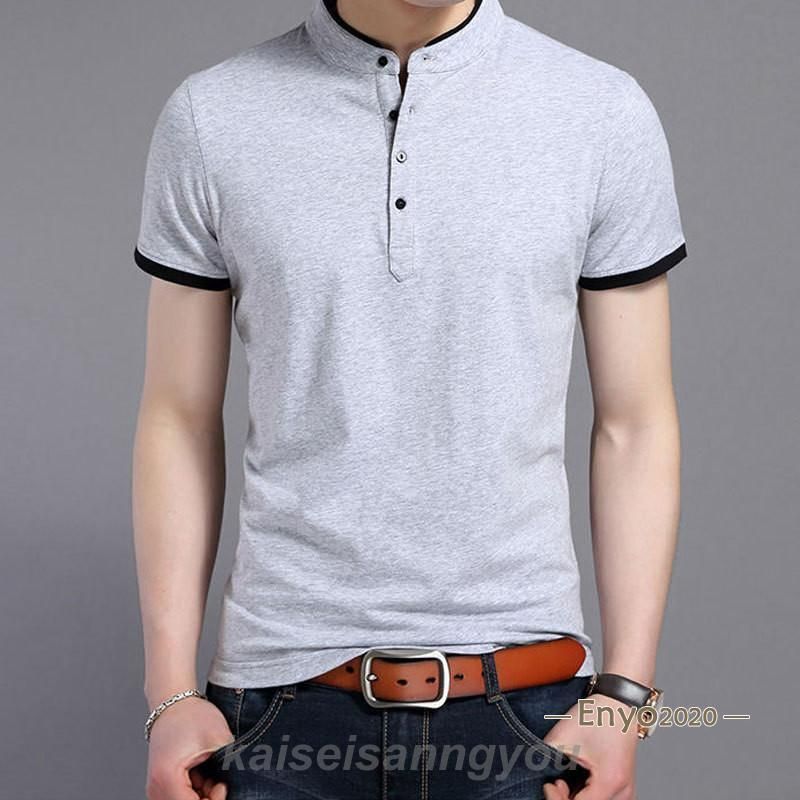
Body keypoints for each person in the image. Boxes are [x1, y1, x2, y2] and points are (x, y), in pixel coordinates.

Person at [131, 1, 686, 798]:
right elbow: (178, 421)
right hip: (276, 713)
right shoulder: (213, 117)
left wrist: (624, 697)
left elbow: (636, 425)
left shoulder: (600, 112)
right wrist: (170, 694)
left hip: (528, 713)